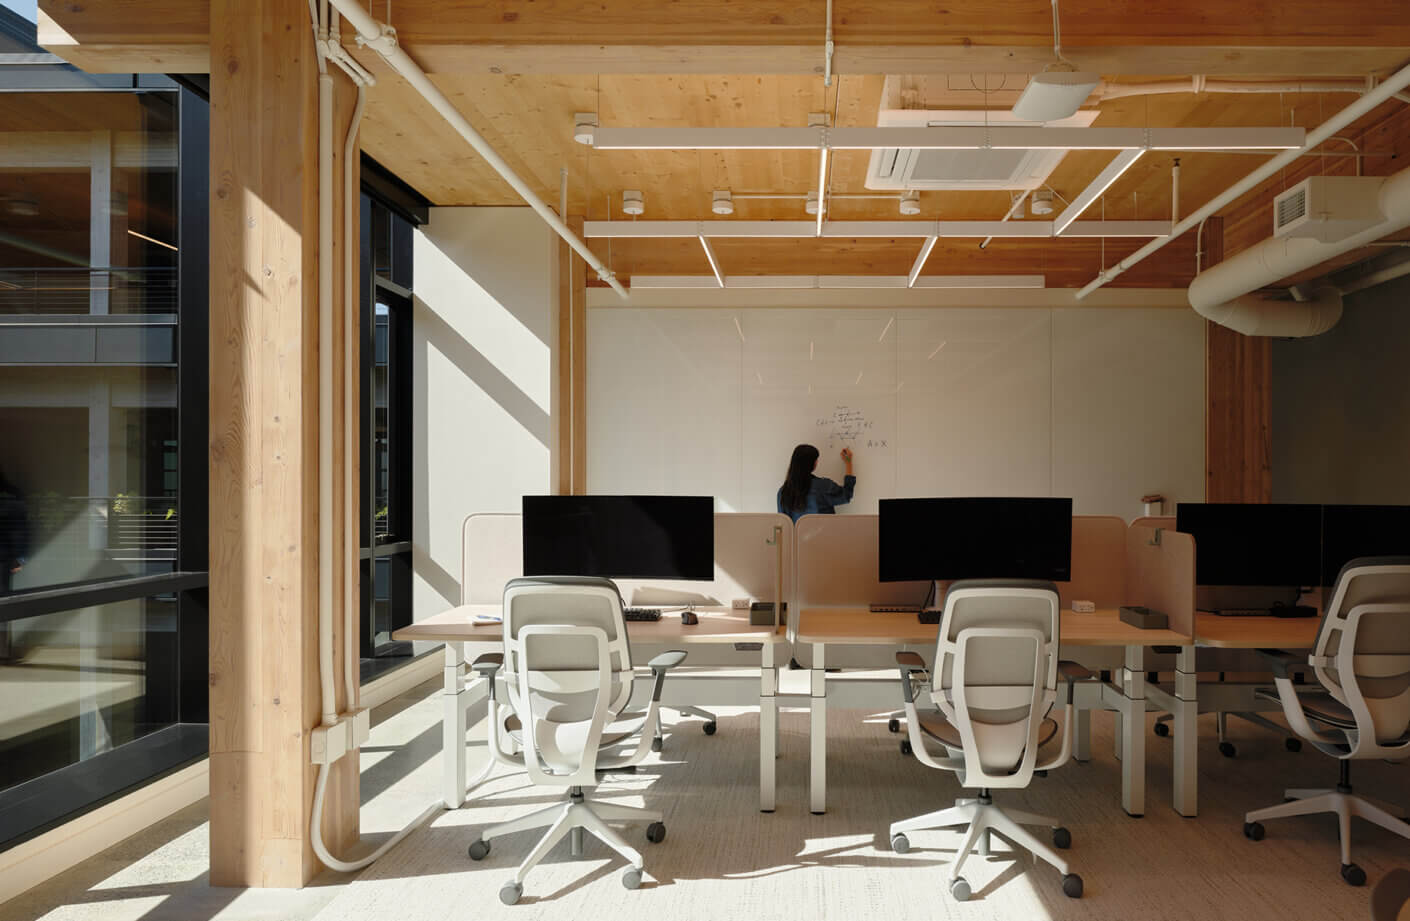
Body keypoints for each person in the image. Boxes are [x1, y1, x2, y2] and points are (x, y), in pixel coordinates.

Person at [777, 443, 856, 524]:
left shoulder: (783, 492)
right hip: (825, 535)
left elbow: (784, 526)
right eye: (816, 459)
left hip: (797, 536)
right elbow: (847, 494)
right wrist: (848, 463)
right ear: (812, 464)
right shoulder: (824, 486)